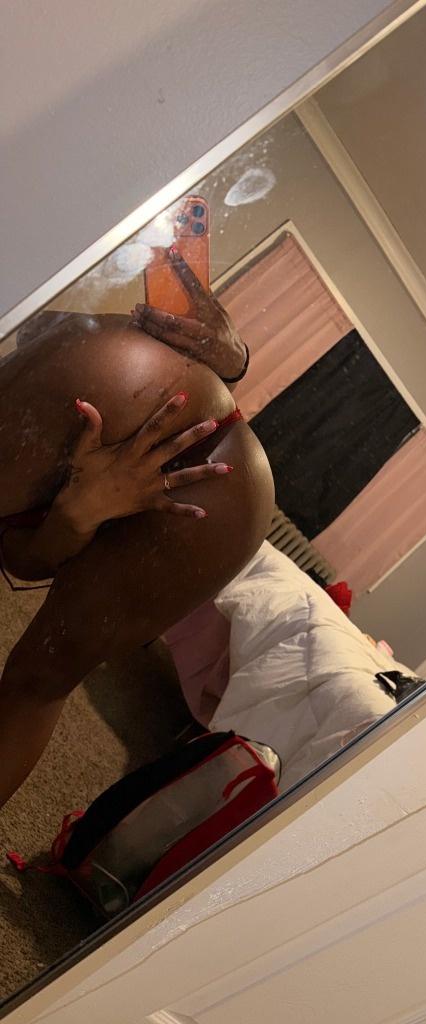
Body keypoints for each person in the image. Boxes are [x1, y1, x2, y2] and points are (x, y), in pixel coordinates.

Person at [0, 247, 274, 810]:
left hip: (192, 446)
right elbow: (25, 560)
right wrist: (75, 517)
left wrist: (234, 359)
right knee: (39, 682)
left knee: (39, 681)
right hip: (231, 476)